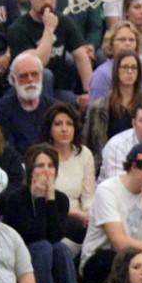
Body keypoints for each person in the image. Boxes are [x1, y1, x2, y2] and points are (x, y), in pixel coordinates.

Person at [2, 144, 86, 283]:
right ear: (31, 169)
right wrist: (39, 199)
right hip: (21, 254)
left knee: (60, 249)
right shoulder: (16, 198)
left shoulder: (61, 199)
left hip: (47, 252)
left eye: (50, 166)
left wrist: (49, 199)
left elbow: (56, 235)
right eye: (40, 166)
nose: (46, 171)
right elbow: (34, 234)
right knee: (43, 247)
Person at [80, 142, 142, 283]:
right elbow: (119, 243)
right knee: (118, 261)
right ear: (134, 167)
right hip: (101, 258)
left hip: (138, 259)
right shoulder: (108, 190)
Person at [7, 0, 93, 106]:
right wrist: (49, 29)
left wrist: (89, 92)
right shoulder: (18, 29)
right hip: (26, 92)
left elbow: (81, 56)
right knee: (45, 74)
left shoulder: (63, 21)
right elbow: (38, 63)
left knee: (77, 102)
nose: (47, 2)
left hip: (58, 89)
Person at [42, 102, 94, 246]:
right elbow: (42, 200)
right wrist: (74, 214)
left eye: (69, 124)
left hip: (82, 219)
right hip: (53, 217)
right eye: (58, 124)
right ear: (49, 129)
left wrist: (88, 215)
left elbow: (88, 195)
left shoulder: (84, 154)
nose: (64, 129)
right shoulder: (41, 156)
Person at [0, 52, 55, 158]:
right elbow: (6, 150)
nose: (30, 80)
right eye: (23, 76)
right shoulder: (1, 109)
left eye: (34, 74)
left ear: (42, 77)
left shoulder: (54, 108)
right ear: (13, 79)